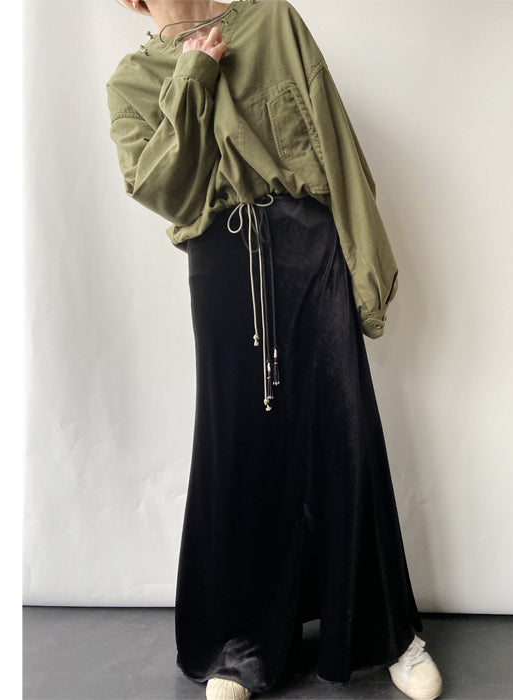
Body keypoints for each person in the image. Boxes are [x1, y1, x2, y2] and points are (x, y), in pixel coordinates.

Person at [106, 1, 443, 699]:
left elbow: (337, 148)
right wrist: (193, 75)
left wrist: (366, 270)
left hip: (309, 245)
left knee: (345, 429)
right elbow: (165, 191)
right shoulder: (133, 81)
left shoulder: (273, 22)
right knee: (237, 443)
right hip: (220, 260)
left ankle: (387, 632)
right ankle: (241, 646)